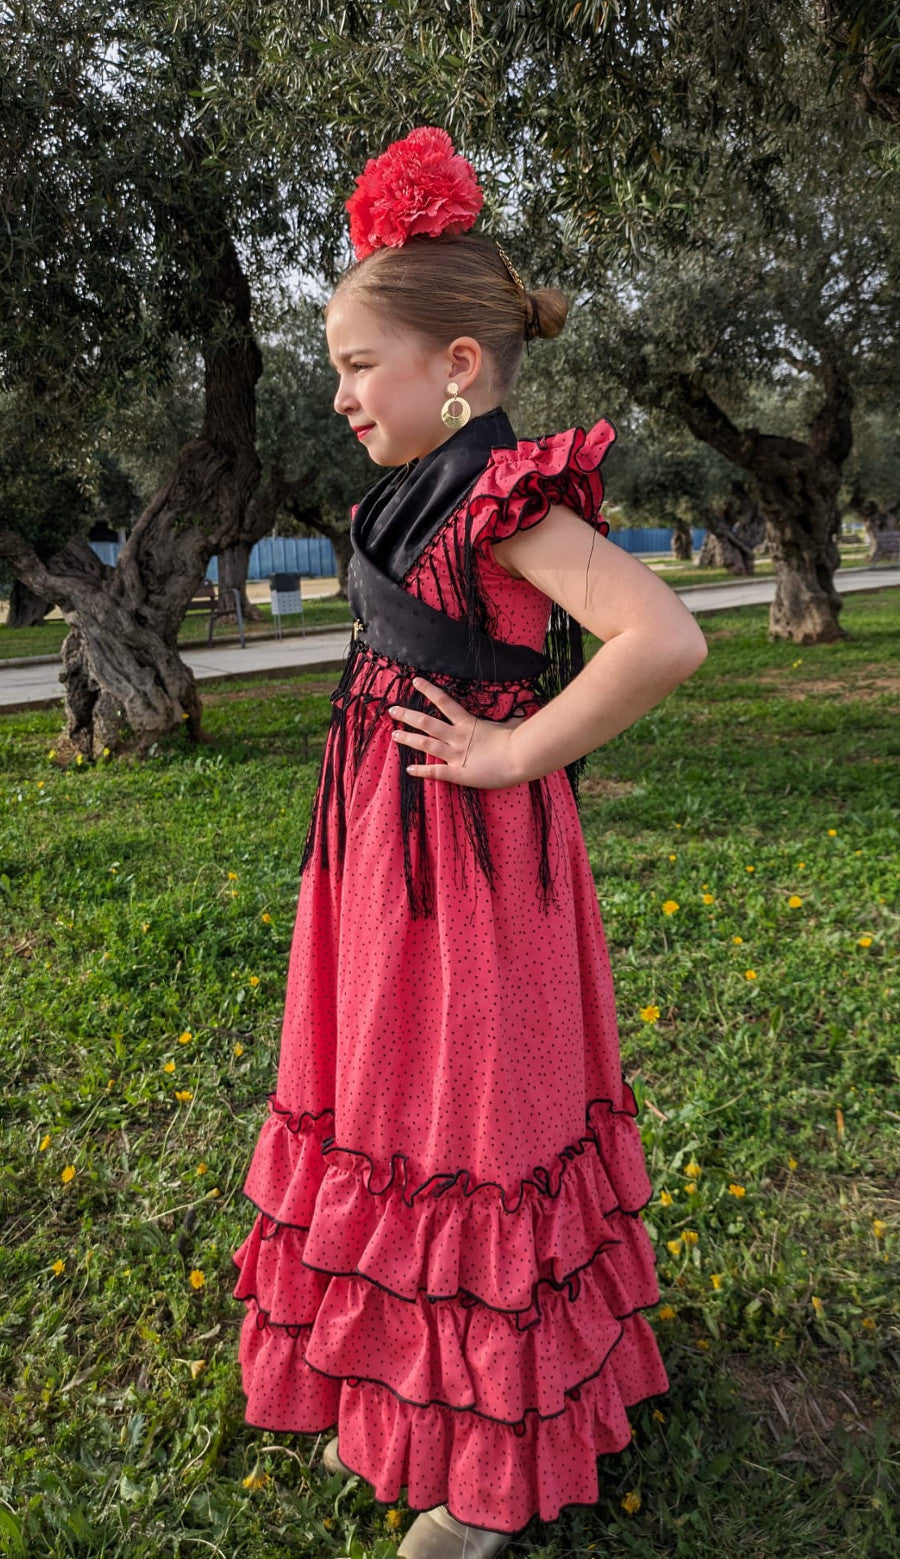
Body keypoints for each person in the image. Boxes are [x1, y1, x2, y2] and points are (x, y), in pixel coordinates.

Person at [232, 126, 708, 1559]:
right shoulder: (413, 493)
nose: (339, 393)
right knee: (392, 1100)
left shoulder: (510, 499)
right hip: (388, 862)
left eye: (357, 361)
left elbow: (663, 635)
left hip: (476, 872)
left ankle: (478, 1473)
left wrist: (511, 749)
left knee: (475, 1120)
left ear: (455, 365)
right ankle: (405, 1395)